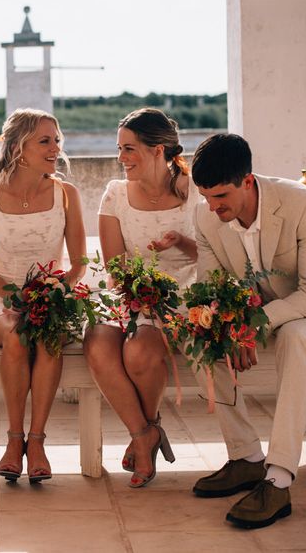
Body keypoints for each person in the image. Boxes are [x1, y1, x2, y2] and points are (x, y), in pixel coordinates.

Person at [189, 133, 306, 529]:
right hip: (258, 313)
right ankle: (246, 457)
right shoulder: (204, 215)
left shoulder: (303, 204)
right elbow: (212, 290)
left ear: (247, 181)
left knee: (295, 338)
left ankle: (279, 479)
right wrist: (230, 327)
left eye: (221, 197)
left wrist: (252, 325)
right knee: (200, 333)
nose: (213, 208)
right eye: (206, 197)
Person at [0, 108, 87, 484]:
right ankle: (14, 440)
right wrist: (15, 296)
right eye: (45, 141)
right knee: (18, 333)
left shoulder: (66, 194)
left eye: (57, 140)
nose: (55, 148)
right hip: (0, 300)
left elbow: (79, 261)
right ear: (18, 147)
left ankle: (37, 442)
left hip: (55, 299)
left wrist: (54, 294)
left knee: (48, 337)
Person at [83, 108, 198, 487]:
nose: (121, 158)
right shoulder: (115, 194)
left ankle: (144, 435)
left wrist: (181, 242)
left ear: (158, 149)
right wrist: (138, 294)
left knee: (139, 353)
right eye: (120, 149)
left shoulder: (194, 190)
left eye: (129, 149)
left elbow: (217, 253)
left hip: (183, 296)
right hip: (129, 292)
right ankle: (143, 432)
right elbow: (115, 267)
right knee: (98, 342)